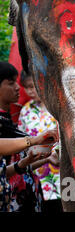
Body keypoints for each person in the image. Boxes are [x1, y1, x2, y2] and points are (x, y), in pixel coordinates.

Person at [0, 61, 59, 212]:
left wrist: (45, 158)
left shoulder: (7, 120)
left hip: (29, 197)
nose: (18, 87)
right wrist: (34, 140)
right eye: (11, 83)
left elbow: (8, 170)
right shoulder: (25, 111)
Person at [18, 71, 62, 212]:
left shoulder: (57, 106)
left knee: (68, 203)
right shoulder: (25, 111)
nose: (30, 91)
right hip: (38, 171)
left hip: (62, 170)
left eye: (33, 86)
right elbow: (20, 141)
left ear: (42, 83)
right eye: (27, 87)